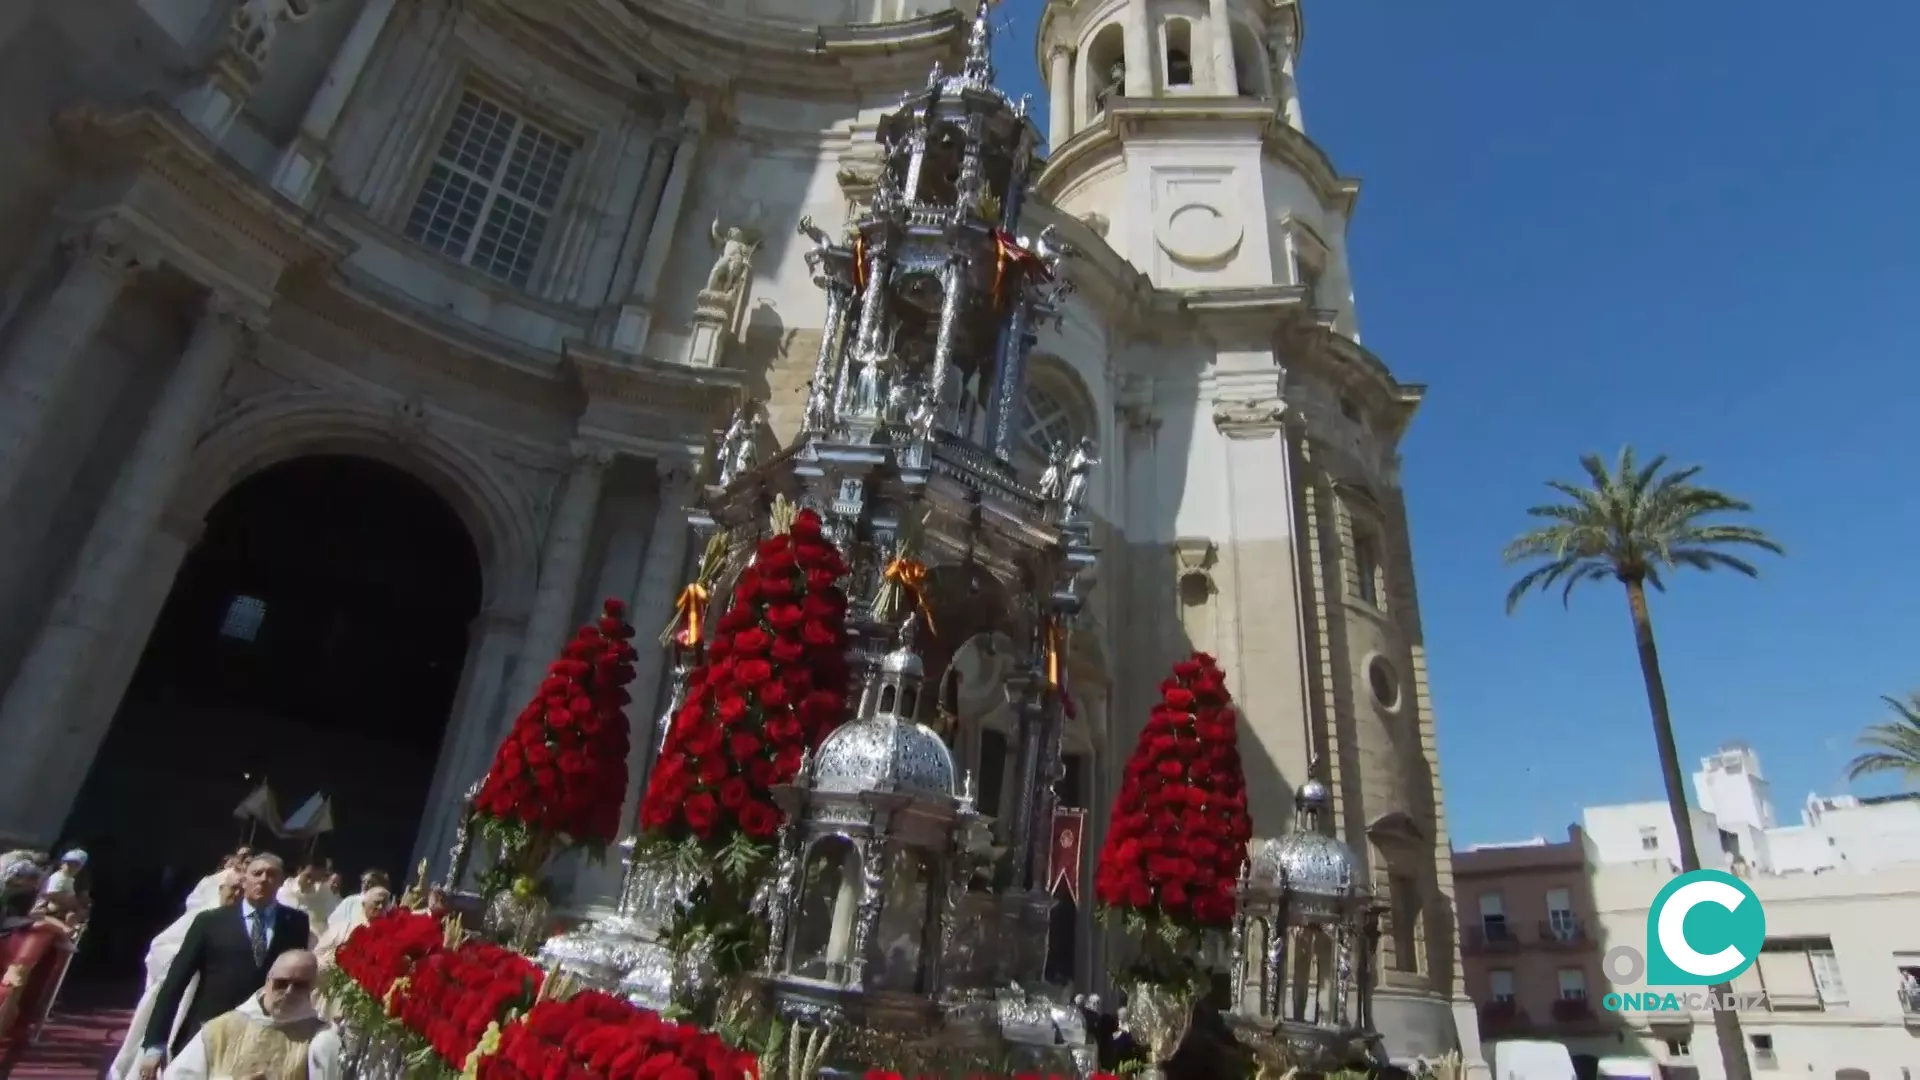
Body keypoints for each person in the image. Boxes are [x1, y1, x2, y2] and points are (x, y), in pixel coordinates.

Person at [140, 854, 311, 1076]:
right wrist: (155, 1045)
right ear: (245, 879)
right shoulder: (210, 922)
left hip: (263, 1036)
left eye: (271, 875)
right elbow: (175, 982)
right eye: (257, 873)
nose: (263, 879)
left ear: (281, 882)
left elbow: (297, 981)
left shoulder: (296, 923)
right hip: (208, 1033)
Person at [108, 870, 243, 1079]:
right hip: (181, 993)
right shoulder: (202, 916)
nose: (237, 894)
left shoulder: (242, 922)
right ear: (220, 889)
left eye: (242, 890)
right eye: (233, 888)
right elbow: (161, 946)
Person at [161, 950, 341, 1080]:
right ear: (268, 980)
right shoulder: (220, 1030)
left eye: (300, 985)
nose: (289, 992)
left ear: (313, 987)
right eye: (281, 983)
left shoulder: (320, 1036)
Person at [313, 887, 388, 971]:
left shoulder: (388, 932)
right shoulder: (343, 928)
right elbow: (317, 953)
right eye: (376, 903)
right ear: (364, 904)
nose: (380, 907)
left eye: (384, 904)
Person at [275, 862, 337, 938]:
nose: (309, 882)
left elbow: (332, 919)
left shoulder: (324, 893)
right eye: (308, 876)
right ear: (299, 871)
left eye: (315, 879)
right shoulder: (284, 892)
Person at [321, 869, 387, 940]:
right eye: (364, 882)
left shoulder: (382, 905)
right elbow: (334, 921)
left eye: (370, 883)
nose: (366, 884)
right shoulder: (350, 900)